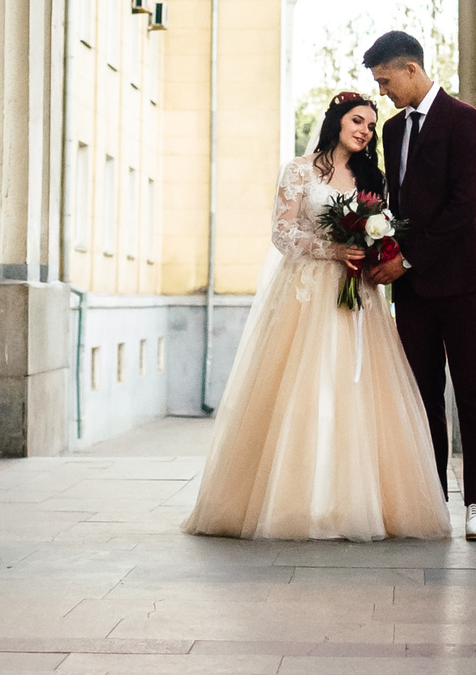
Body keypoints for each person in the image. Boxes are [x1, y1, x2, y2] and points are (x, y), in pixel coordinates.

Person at [182, 92, 449, 540]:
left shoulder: (372, 179)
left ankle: (356, 503)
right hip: (306, 295)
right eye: (357, 121)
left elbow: (383, 228)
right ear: (337, 121)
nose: (365, 131)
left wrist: (372, 248)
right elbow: (282, 232)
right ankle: (295, 501)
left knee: (357, 392)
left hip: (358, 295)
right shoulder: (299, 170)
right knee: (304, 389)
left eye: (371, 125)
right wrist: (333, 249)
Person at [366, 29, 476, 541]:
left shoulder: (466, 121)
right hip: (413, 291)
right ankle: (431, 497)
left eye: (385, 81)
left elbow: (463, 207)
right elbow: (398, 205)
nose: (382, 92)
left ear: (411, 69)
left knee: (473, 392)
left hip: (465, 281)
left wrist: (407, 259)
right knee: (422, 393)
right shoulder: (392, 130)